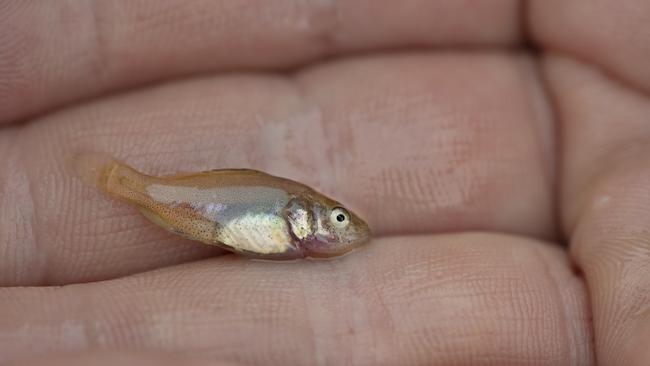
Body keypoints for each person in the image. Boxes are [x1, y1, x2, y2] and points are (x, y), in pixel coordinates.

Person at [0, 1, 648, 365]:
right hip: (200, 207)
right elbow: (238, 224)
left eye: (339, 221)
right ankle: (125, 185)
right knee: (141, 196)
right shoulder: (283, 215)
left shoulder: (293, 222)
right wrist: (147, 191)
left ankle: (130, 185)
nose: (342, 229)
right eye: (337, 222)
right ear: (306, 217)